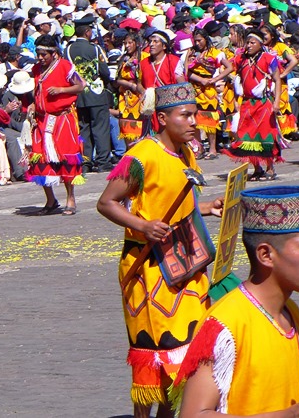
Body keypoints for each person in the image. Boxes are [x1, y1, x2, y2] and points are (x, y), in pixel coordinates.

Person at [97, 82, 223, 418]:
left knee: (187, 352)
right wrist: (143, 225)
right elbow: (106, 203)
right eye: (186, 115)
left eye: (195, 114)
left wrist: (207, 206)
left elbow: (178, 201)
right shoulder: (141, 156)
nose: (195, 121)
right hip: (148, 269)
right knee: (154, 353)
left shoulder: (186, 151)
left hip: (187, 263)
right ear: (163, 118)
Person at [172, 185, 299, 417]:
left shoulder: (290, 312)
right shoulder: (226, 324)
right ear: (266, 255)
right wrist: (286, 416)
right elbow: (194, 415)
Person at [27, 34, 86, 215]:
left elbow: (81, 85)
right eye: (38, 54)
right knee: (40, 159)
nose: (40, 58)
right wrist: (32, 105)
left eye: (44, 54)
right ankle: (51, 200)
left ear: (53, 53)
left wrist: (62, 90)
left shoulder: (64, 66)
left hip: (62, 119)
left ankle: (70, 198)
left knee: (66, 159)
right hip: (42, 120)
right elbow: (37, 92)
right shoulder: (37, 69)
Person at [224, 29, 283, 181]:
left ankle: (270, 168)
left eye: (252, 43)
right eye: (247, 43)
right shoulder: (240, 59)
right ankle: (257, 168)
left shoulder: (269, 58)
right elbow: (233, 73)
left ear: (260, 43)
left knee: (265, 135)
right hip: (247, 103)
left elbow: (277, 80)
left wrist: (276, 102)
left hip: (263, 103)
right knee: (247, 137)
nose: (248, 46)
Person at [176, 28, 233, 160]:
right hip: (194, 88)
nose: (197, 43)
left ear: (206, 39)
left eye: (199, 40)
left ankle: (212, 149)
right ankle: (199, 147)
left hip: (209, 89)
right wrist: (200, 79)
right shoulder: (192, 52)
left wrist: (215, 79)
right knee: (194, 119)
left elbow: (230, 67)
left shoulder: (216, 53)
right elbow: (186, 71)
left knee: (209, 119)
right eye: (195, 41)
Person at [66, 17, 112, 172]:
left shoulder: (68, 49)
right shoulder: (95, 49)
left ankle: (86, 162)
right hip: (96, 92)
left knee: (83, 128)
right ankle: (103, 161)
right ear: (87, 32)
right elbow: (104, 71)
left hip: (78, 95)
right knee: (100, 128)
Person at [113, 32, 147, 146]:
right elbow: (116, 80)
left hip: (140, 97)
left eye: (130, 43)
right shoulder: (123, 59)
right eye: (125, 43)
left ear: (136, 43)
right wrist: (131, 85)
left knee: (141, 128)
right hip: (126, 99)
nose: (127, 46)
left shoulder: (144, 57)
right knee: (127, 129)